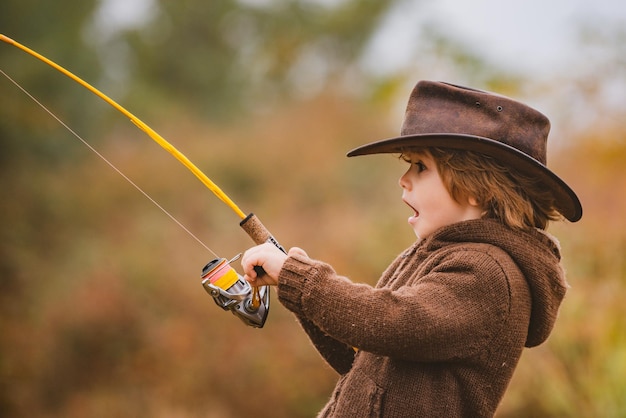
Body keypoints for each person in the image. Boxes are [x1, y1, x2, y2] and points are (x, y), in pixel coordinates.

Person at [240, 80, 582, 417]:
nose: (404, 179)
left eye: (420, 166)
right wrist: (297, 287)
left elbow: (393, 322)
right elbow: (366, 362)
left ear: (477, 188)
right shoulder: (435, 256)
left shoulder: (488, 275)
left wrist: (303, 280)